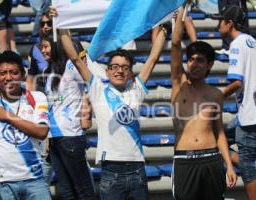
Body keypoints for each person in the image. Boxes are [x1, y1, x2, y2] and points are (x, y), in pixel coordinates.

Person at [59, 24, 166, 199]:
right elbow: (75, 58)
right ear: (107, 71)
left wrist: (164, 27)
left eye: (124, 67)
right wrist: (62, 26)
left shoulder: (136, 89)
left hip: (137, 171)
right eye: (114, 66)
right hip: (111, 173)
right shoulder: (97, 88)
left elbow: (153, 57)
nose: (119, 71)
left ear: (130, 73)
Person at [170, 6, 237, 200]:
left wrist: (229, 165)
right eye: (191, 59)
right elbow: (175, 44)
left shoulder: (216, 94)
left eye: (200, 60)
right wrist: (182, 10)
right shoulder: (178, 85)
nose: (194, 64)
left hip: (212, 160)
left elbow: (219, 133)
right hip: (184, 160)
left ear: (209, 65)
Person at [0, 51, 52, 200]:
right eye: (3, 73)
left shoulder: (37, 98)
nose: (8, 77)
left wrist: (7, 116)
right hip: (0, 180)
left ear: (23, 75)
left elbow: (42, 131)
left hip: (34, 180)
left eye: (13, 73)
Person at [36, 33, 95, 199]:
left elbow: (91, 85)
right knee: (66, 191)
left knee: (83, 190)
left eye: (46, 46)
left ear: (56, 46)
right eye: (42, 46)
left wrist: (86, 111)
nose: (43, 50)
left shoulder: (70, 66)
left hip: (71, 136)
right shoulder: (49, 71)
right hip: (55, 137)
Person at [218, 5, 256, 200]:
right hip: (249, 114)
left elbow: (237, 81)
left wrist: (217, 96)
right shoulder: (252, 41)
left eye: (220, 21)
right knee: (219, 139)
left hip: (249, 118)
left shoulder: (237, 44)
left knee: (249, 169)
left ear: (229, 23)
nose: (218, 26)